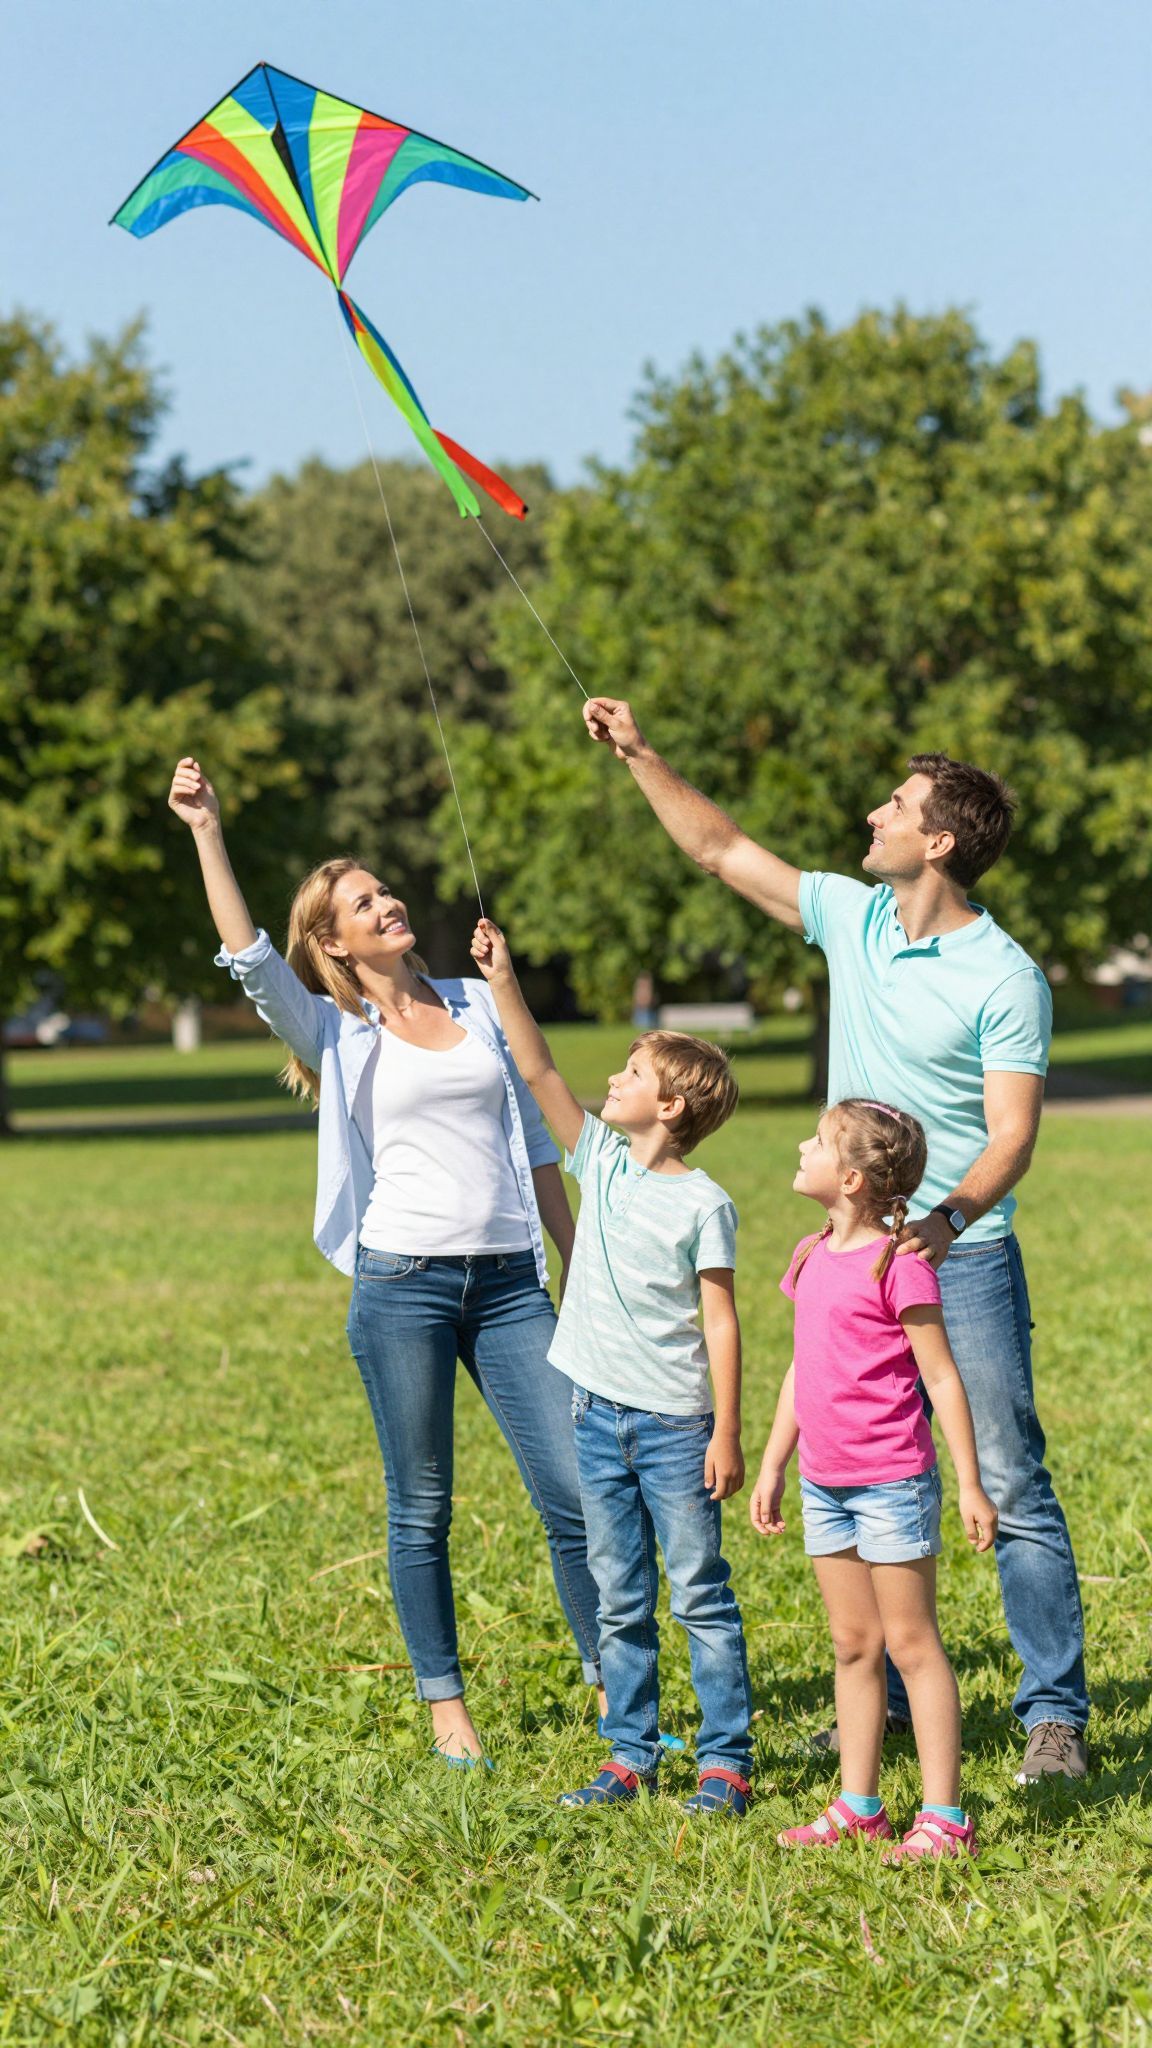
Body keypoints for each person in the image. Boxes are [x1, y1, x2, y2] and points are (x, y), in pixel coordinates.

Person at [582, 700, 1089, 1781]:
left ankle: (1055, 1716)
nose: (874, 814)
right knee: (857, 1460)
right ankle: (891, 1704)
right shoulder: (855, 917)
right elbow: (720, 849)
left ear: (938, 841)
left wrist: (943, 1226)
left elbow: (1013, 1135)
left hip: (964, 1258)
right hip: (850, 1256)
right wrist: (639, 754)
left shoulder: (1006, 977)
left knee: (1005, 1472)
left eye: (896, 806)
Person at [167, 757, 605, 1767]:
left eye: (384, 889)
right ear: (334, 940)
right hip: (402, 1285)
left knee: (577, 1491)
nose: (388, 901)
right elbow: (246, 956)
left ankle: (610, 1680)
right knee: (421, 1505)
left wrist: (575, 1260)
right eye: (363, 901)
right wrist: (207, 831)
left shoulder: (478, 998)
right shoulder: (334, 1026)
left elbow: (539, 1141)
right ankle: (447, 1703)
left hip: (510, 1286)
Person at [469, 916, 754, 1816]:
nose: (612, 1079)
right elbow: (539, 1068)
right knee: (620, 1595)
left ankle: (725, 1761)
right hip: (595, 1417)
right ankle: (630, 1753)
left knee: (699, 1594)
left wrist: (728, 1431)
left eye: (631, 1074)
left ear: (670, 1107)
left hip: (676, 1430)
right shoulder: (601, 1162)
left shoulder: (706, 1205)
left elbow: (722, 1321)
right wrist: (505, 978)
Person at [751, 1098, 998, 1861]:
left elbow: (943, 1379)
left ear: (851, 1178)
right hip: (826, 1482)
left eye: (817, 1143)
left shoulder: (903, 1267)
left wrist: (969, 1483)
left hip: (892, 1482)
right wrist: (772, 1461)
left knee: (912, 1645)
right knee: (853, 1643)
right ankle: (860, 1806)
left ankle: (944, 1819)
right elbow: (802, 1368)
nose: (801, 1145)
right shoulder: (809, 1253)